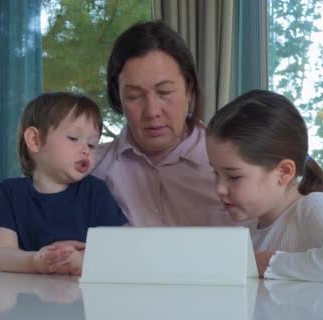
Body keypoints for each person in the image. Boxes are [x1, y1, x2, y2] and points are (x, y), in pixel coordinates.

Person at [206, 89, 323, 283]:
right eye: (215, 172)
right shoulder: (250, 232)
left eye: (234, 176)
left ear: (284, 172)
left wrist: (268, 263)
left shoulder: (313, 206)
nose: (219, 188)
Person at [92, 21, 235, 227]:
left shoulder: (234, 166)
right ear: (118, 97)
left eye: (165, 92)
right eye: (134, 96)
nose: (152, 112)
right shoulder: (90, 168)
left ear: (189, 89)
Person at [0, 92, 128, 275]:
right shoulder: (9, 192)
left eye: (92, 144)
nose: (86, 150)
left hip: (83, 298)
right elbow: (2, 255)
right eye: (74, 138)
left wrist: (84, 261)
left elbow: (120, 250)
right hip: (27, 297)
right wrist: (36, 262)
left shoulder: (96, 191)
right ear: (35, 140)